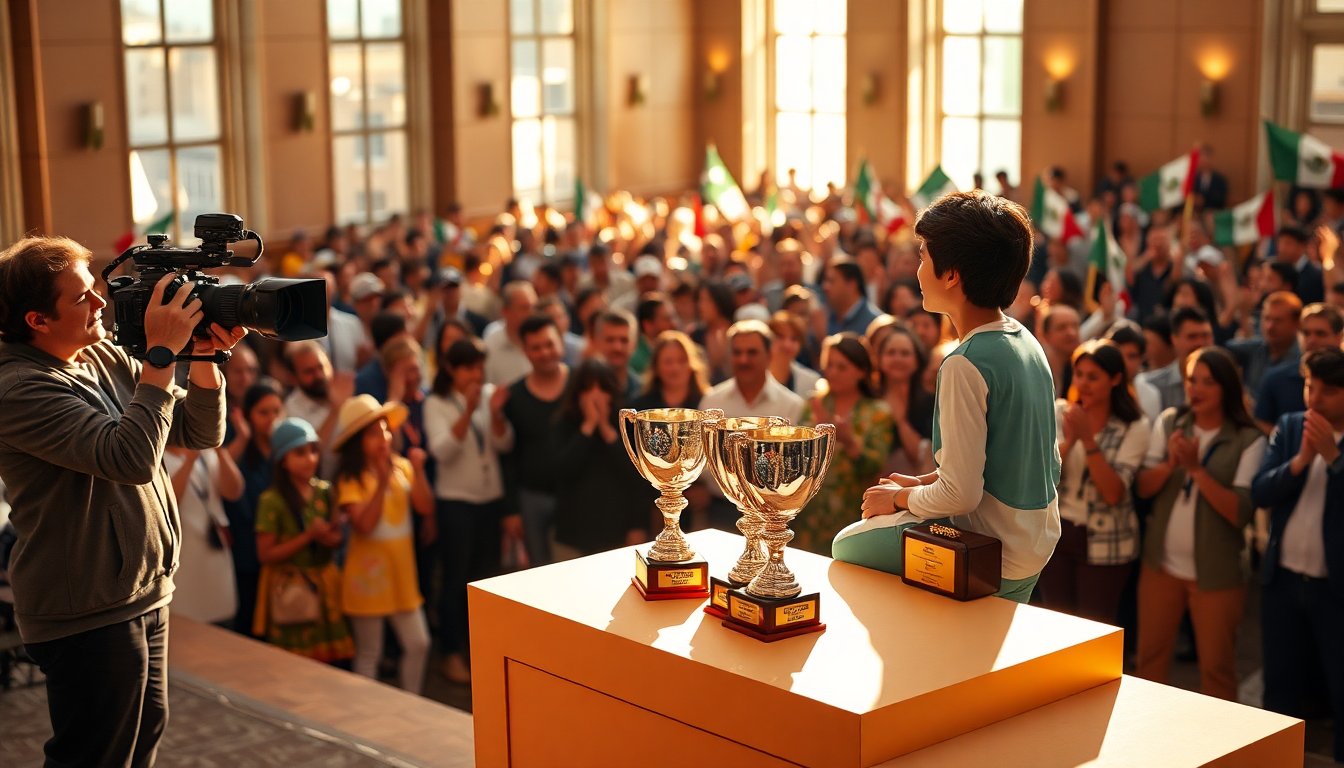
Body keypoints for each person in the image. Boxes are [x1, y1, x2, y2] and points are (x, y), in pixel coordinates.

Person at [0, 235, 242, 765]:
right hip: (86, 606)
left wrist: (201, 356)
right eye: (82, 297)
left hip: (141, 590)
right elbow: (128, 459)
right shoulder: (18, 389)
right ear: (37, 320)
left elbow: (197, 431)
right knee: (95, 754)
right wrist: (158, 356)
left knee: (141, 741)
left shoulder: (100, 355)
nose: (101, 304)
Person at [834, 190, 1062, 604]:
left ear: (951, 274)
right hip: (1036, 543)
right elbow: (1014, 462)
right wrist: (923, 481)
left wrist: (898, 498)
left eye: (923, 256)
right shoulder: (1026, 339)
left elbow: (961, 496)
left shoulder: (964, 363)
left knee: (846, 547)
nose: (918, 268)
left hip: (994, 553)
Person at [1134, 347, 1266, 701]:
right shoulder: (1170, 421)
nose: (1197, 388)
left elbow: (1240, 511)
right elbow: (1143, 487)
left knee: (1216, 669)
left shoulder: (1249, 439)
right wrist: (1170, 466)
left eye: (1208, 382)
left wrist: (1196, 469)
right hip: (1161, 566)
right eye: (1192, 380)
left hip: (1218, 575)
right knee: (1149, 660)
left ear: (1227, 387)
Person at [1251, 348, 1344, 763]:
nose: (1315, 398)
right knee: (1281, 685)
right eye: (1310, 386)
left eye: (1327, 390)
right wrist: (1302, 460)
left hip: (1334, 590)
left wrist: (1334, 459)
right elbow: (1260, 491)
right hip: (1283, 581)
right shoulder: (1290, 427)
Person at [1036, 341, 1150, 624]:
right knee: (1055, 622)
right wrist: (1071, 439)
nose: (1084, 383)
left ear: (1115, 379)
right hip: (1057, 532)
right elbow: (1039, 474)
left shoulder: (1134, 425)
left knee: (1094, 627)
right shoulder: (1060, 412)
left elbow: (1113, 492)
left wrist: (1088, 440)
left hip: (1105, 542)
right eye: (1079, 374)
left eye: (1093, 376)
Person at [424, 338, 513, 684]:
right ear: (451, 370)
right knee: (455, 579)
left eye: (480, 367)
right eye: (469, 368)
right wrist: (467, 411)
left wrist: (494, 414)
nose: (476, 374)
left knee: (485, 578)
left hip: (490, 500)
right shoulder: (437, 403)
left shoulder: (489, 396)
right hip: (456, 502)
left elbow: (505, 444)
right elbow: (443, 451)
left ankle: (482, 650)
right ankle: (451, 652)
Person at [333, 394, 434, 694]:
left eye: (385, 430)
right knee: (369, 654)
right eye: (374, 433)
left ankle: (410, 702)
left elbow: (425, 508)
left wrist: (419, 471)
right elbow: (364, 527)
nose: (384, 438)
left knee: (419, 643)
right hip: (368, 578)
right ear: (357, 442)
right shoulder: (351, 479)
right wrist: (379, 481)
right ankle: (366, 721)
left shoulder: (403, 467)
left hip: (402, 574)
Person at [253, 418, 355, 664]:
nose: (310, 458)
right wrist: (309, 536)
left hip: (326, 586)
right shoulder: (271, 500)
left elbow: (338, 539)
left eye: (313, 450)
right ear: (283, 460)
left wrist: (328, 537)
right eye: (300, 452)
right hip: (291, 591)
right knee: (294, 666)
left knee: (331, 665)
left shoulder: (325, 491)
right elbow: (265, 555)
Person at [698, 320, 806, 531]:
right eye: (737, 352)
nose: (743, 359)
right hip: (720, 510)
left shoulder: (792, 406)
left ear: (769, 355)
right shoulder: (711, 402)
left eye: (752, 352)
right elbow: (701, 457)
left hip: (773, 514)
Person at [796, 334, 892, 554]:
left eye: (841, 367)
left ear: (861, 371)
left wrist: (849, 442)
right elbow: (796, 459)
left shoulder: (877, 413)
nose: (832, 373)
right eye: (828, 366)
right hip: (809, 516)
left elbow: (875, 468)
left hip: (852, 515)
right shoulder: (814, 405)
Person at [553, 359, 650, 557]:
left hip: (617, 534)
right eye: (588, 389)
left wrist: (606, 429)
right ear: (577, 394)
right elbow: (561, 471)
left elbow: (636, 478)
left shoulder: (626, 427)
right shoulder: (563, 423)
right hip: (573, 534)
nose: (595, 397)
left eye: (602, 389)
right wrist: (588, 427)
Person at [502, 314, 568, 566]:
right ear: (525, 351)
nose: (544, 352)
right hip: (531, 498)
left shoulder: (578, 387)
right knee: (538, 570)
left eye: (549, 344)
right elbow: (508, 456)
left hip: (574, 496)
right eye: (536, 347)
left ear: (560, 343)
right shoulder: (514, 395)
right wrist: (510, 510)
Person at [223, 379, 286, 638]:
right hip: (248, 553)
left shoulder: (285, 453)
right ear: (249, 415)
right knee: (251, 623)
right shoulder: (243, 454)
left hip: (283, 552)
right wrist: (243, 436)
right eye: (263, 412)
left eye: (276, 411)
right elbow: (222, 475)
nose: (271, 419)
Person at [164, 444, 243, 625]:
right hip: (184, 556)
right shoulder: (160, 458)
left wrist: (220, 450)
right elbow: (170, 502)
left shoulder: (208, 454)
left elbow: (234, 491)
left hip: (216, 552)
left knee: (224, 617)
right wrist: (189, 462)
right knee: (188, 623)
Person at [875, 324, 935, 476]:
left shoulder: (931, 403)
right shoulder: (869, 397)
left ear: (917, 360)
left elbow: (923, 460)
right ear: (880, 359)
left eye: (905, 353)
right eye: (891, 352)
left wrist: (900, 421)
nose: (897, 359)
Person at [630, 330, 710, 411]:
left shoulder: (708, 403)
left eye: (682, 360)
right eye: (668, 362)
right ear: (656, 367)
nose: (675, 368)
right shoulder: (639, 409)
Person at [767, 310, 821, 398]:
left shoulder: (812, 381)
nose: (787, 345)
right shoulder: (753, 375)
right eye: (780, 336)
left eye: (794, 339)